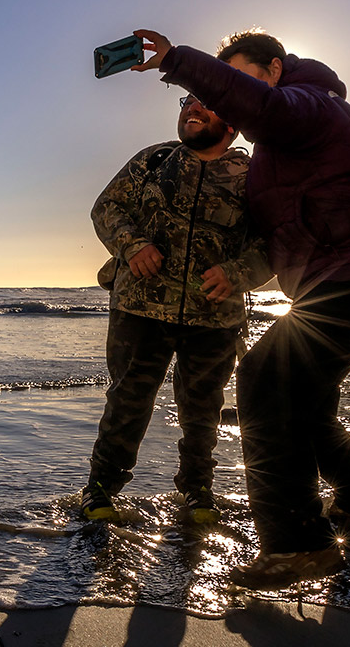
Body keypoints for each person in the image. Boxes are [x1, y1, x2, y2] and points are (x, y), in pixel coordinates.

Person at [130, 27, 350, 589]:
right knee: (306, 408)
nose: (228, 98)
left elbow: (264, 109)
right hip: (340, 283)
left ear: (273, 69)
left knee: (265, 379)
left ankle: (297, 545)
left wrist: (177, 61)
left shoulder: (312, 107)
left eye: (240, 78)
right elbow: (273, 237)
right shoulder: (275, 150)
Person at [82, 89, 270, 528]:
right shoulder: (153, 161)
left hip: (215, 316)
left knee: (203, 410)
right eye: (187, 101)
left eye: (207, 103)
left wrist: (237, 272)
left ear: (233, 124)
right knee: (127, 401)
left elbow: (273, 242)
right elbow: (106, 208)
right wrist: (132, 245)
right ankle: (101, 488)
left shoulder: (252, 176)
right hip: (139, 308)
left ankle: (197, 488)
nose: (193, 107)